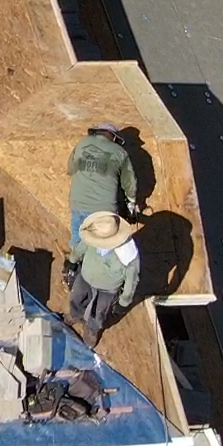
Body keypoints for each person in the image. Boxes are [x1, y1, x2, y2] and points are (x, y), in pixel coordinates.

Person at [64, 211, 141, 347]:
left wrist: (124, 302)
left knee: (99, 312)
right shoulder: (96, 231)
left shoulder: (129, 255)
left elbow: (131, 280)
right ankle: (74, 314)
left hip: (107, 290)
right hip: (85, 276)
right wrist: (72, 260)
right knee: (77, 297)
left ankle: (92, 330)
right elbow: (82, 246)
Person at [65, 122, 138, 250]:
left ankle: (74, 265)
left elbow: (70, 169)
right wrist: (131, 206)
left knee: (78, 241)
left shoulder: (82, 144)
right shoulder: (120, 152)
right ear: (114, 137)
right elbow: (130, 184)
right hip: (104, 209)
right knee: (102, 246)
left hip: (78, 203)